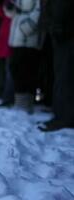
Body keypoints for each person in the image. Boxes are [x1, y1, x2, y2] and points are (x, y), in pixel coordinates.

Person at [38, 0, 74, 131]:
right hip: (58, 30)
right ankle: (60, 114)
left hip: (65, 31)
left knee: (65, 76)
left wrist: (57, 25)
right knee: (60, 75)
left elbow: (62, 6)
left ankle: (65, 117)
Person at [6, 0, 44, 114]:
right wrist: (9, 8)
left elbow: (39, 11)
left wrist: (26, 28)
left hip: (28, 39)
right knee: (16, 68)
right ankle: (20, 102)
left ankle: (27, 104)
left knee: (27, 70)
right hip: (16, 35)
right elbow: (11, 13)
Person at [0, 0, 14, 107]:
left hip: (13, 38)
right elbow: (1, 12)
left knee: (10, 70)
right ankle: (4, 95)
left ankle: (8, 98)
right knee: (3, 68)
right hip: (5, 38)